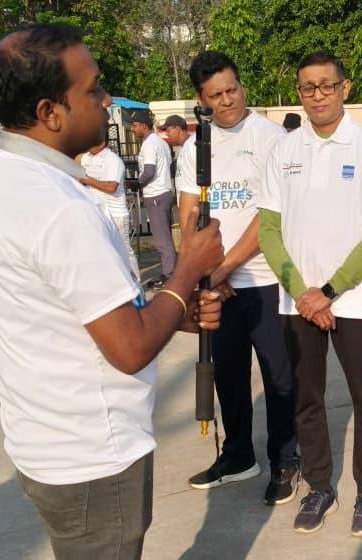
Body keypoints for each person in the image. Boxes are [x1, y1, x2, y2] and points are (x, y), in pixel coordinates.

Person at [0, 24, 223, 560]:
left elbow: (81, 313)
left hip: (47, 440)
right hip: (92, 454)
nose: (107, 101)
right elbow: (130, 348)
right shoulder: (55, 204)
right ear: (49, 112)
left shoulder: (7, 178)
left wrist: (173, 312)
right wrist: (188, 271)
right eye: (94, 89)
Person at [259, 52, 362, 536]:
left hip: (352, 301)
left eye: (326, 86)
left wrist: (331, 290)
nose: (317, 95)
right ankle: (319, 486)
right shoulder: (285, 150)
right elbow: (269, 231)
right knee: (308, 400)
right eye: (307, 88)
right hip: (298, 302)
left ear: (345, 88)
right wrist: (301, 291)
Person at [178, 50, 301, 505]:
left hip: (265, 279)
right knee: (227, 375)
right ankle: (237, 455)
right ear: (201, 98)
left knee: (278, 376)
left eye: (233, 89)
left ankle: (285, 458)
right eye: (216, 95)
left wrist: (225, 267)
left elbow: (270, 218)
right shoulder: (196, 146)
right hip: (216, 285)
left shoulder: (272, 139)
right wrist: (204, 270)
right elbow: (188, 210)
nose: (228, 100)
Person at [80, 133, 139, 276]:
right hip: (97, 213)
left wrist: (88, 180)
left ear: (102, 143)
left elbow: (111, 187)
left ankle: (136, 284)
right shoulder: (86, 158)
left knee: (123, 250)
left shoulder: (113, 160)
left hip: (115, 215)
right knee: (102, 251)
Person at [130, 108, 176, 287]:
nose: (132, 130)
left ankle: (169, 276)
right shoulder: (161, 142)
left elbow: (149, 171)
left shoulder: (149, 143)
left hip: (156, 195)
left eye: (134, 126)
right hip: (164, 192)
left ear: (143, 125)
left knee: (162, 240)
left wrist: (136, 184)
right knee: (166, 237)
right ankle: (170, 272)